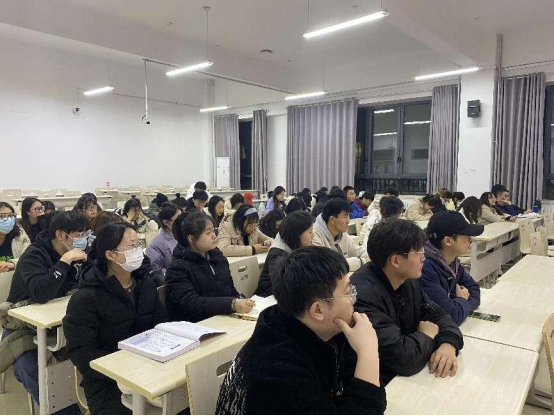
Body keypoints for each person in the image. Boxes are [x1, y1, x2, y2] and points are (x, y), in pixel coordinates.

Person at [216, 247, 387, 415]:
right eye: (349, 292)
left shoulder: (325, 327)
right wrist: (368, 352)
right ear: (318, 310)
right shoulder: (278, 373)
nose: (354, 299)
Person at [64, 222, 167, 415]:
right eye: (131, 246)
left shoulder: (144, 282)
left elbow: (161, 323)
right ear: (110, 255)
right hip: (107, 381)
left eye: (138, 245)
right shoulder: (86, 298)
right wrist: (127, 367)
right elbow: (82, 354)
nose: (138, 251)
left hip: (150, 369)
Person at [350, 219, 464, 385]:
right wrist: (426, 336)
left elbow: (441, 317)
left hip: (406, 380)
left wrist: (448, 344)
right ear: (396, 261)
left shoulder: (407, 280)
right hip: (381, 385)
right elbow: (402, 358)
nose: (424, 258)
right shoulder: (362, 296)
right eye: (418, 252)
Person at [5, 212, 92, 413]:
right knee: (28, 367)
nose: (84, 239)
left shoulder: (81, 251)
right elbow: (40, 293)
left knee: (96, 347)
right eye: (79, 234)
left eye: (86, 234)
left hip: (62, 320)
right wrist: (64, 261)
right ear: (61, 234)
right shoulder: (34, 255)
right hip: (23, 324)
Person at [166, 211, 255, 323]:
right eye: (208, 233)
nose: (214, 236)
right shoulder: (177, 268)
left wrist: (240, 301)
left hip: (224, 317)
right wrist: (231, 304)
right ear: (191, 239)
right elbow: (191, 303)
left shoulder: (217, 258)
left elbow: (230, 289)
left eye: (213, 231)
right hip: (198, 324)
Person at [420, 211, 483, 325]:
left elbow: (475, 291)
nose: (470, 239)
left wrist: (458, 305)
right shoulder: (425, 268)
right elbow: (451, 316)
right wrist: (462, 299)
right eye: (466, 235)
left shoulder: (453, 263)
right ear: (448, 241)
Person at [255, 211, 314, 298]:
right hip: (268, 299)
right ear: (296, 234)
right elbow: (285, 288)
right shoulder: (277, 255)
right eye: (310, 232)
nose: (313, 235)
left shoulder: (296, 247)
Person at [313, 199, 368, 272]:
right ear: (332, 219)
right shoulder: (314, 235)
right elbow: (326, 266)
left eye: (348, 216)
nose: (348, 221)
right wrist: (361, 262)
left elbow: (358, 251)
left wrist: (368, 257)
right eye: (345, 216)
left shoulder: (342, 234)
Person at [146, 203, 182, 276]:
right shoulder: (156, 246)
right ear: (167, 223)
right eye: (178, 220)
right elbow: (155, 270)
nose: (182, 222)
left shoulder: (186, 235)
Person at [0, 202, 31, 272]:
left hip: (12, 276)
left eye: (11, 215)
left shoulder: (19, 233)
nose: (9, 220)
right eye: (3, 216)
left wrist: (13, 264)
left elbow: (29, 257)